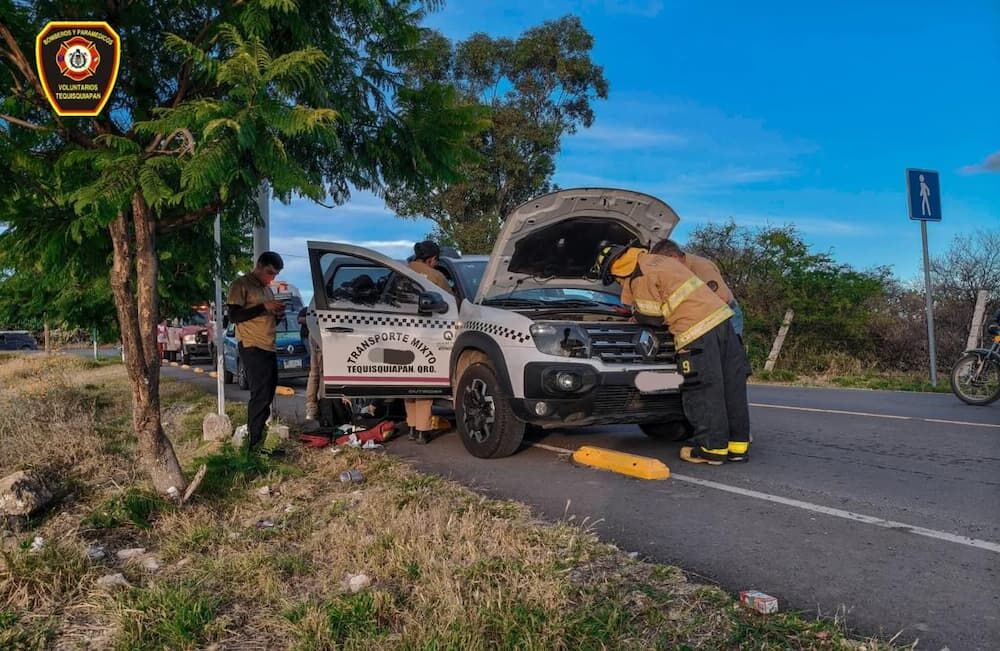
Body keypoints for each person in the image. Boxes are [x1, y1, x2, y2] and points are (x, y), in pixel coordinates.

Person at [594, 243, 750, 465]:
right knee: (730, 387)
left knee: (703, 389)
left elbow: (653, 317)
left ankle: (711, 448)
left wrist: (635, 314)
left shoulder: (641, 275)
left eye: (616, 279)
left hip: (696, 331)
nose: (619, 284)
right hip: (723, 323)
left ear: (617, 269)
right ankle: (738, 447)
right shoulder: (660, 261)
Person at [226, 252, 286, 452]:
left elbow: (267, 315)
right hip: (252, 346)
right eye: (269, 273)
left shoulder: (267, 290)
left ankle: (259, 441)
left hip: (269, 346)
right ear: (259, 266)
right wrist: (263, 308)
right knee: (259, 395)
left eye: (275, 275)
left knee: (268, 394)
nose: (271, 278)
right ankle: (253, 444)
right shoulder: (241, 285)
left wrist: (276, 313)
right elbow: (234, 316)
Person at [405, 240, 453, 444]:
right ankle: (423, 431)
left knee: (406, 383)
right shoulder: (435, 276)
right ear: (432, 260)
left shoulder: (400, 271)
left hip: (399, 334)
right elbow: (452, 303)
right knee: (423, 383)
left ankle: (412, 428)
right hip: (427, 335)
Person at [651, 239, 744, 339]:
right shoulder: (676, 272)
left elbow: (721, 298)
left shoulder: (702, 267)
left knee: (728, 352)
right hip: (702, 322)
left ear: (673, 257)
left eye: (663, 263)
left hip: (726, 318)